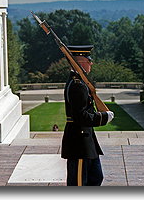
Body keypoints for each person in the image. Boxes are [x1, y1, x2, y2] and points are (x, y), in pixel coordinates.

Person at [61, 45, 114, 186]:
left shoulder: (80, 82)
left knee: (95, 178)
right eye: (88, 60)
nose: (91, 63)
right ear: (80, 62)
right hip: (79, 143)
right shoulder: (77, 85)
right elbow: (81, 116)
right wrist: (103, 117)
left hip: (86, 141)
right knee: (78, 183)